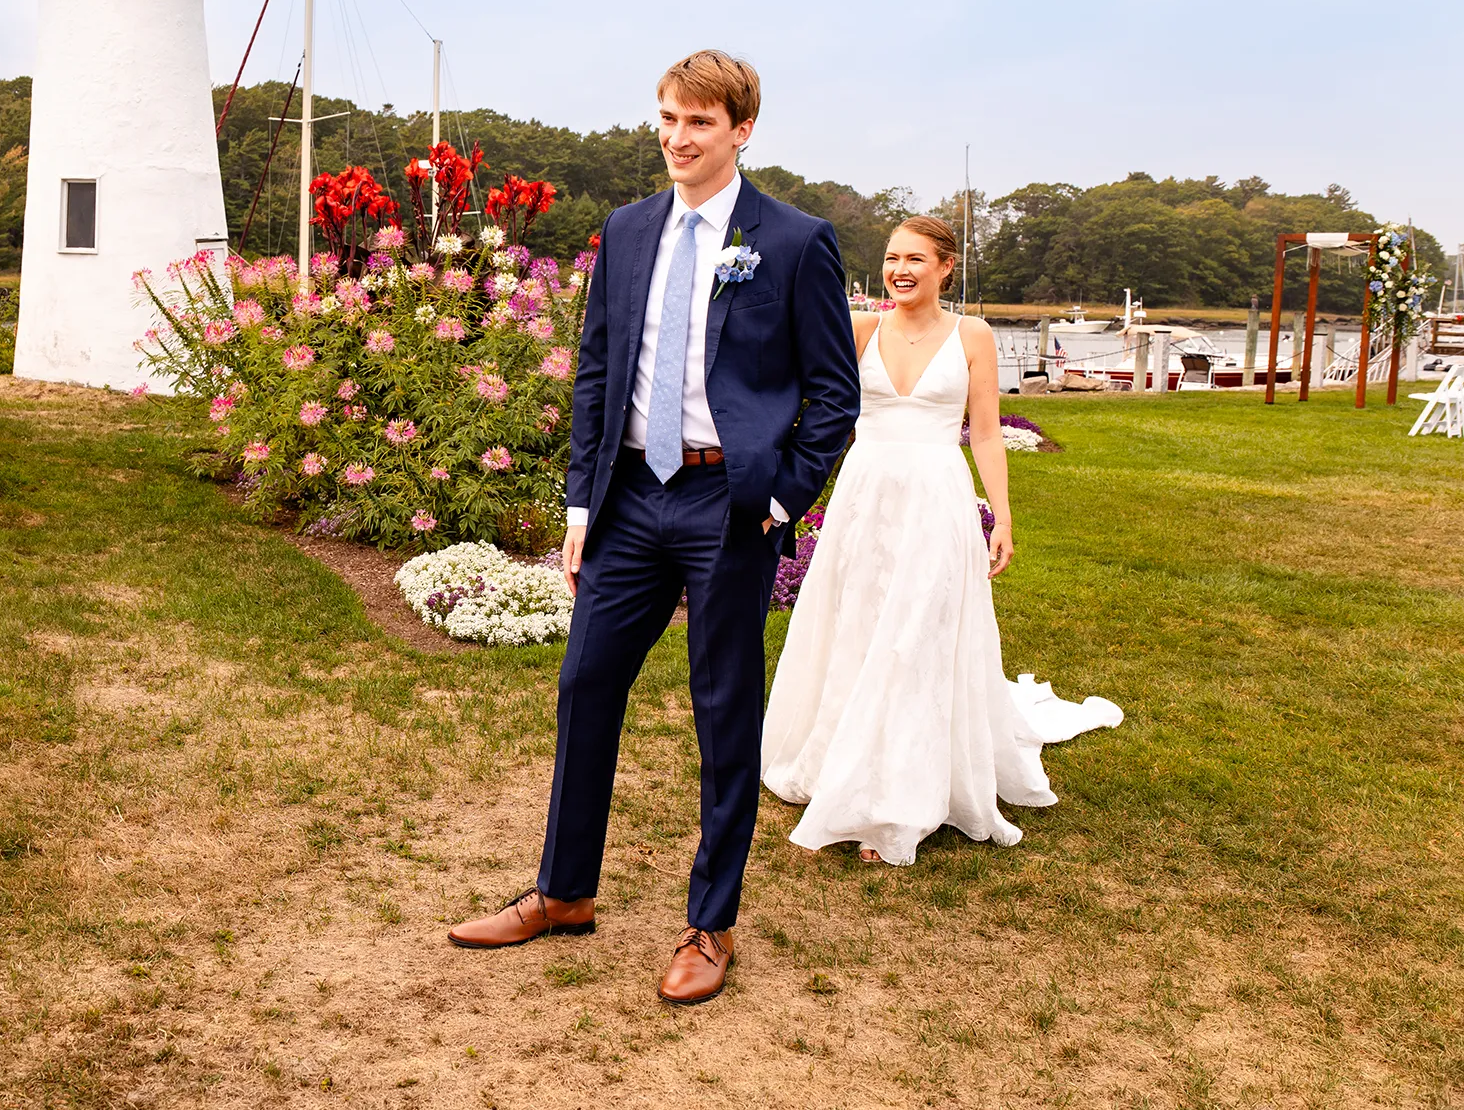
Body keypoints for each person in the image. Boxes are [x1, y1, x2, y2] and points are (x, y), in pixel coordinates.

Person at [446, 51, 859, 1005]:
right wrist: (582, 505)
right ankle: (562, 892)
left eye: (698, 123)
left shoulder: (795, 242)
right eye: (667, 118)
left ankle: (710, 926)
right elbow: (597, 373)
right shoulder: (626, 233)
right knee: (585, 684)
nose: (677, 138)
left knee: (723, 712)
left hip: (728, 506)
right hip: (631, 499)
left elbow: (834, 396)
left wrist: (779, 496)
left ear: (742, 130)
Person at [760, 216, 1122, 866]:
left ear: (945, 266)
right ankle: (844, 763)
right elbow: (811, 401)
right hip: (865, 500)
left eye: (915, 259)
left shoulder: (973, 335)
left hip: (937, 502)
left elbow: (984, 432)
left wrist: (1003, 516)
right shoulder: (861, 327)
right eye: (893, 257)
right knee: (862, 630)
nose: (900, 269)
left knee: (916, 637)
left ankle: (898, 801)